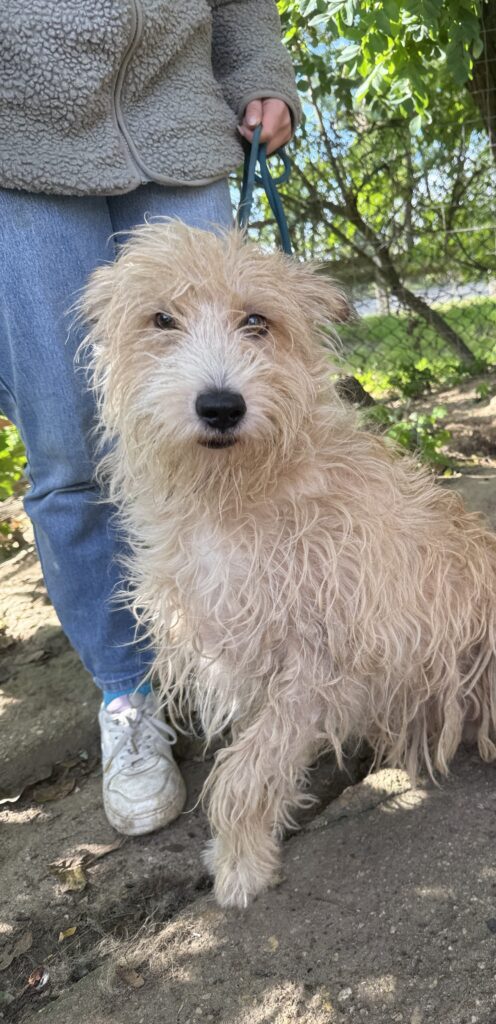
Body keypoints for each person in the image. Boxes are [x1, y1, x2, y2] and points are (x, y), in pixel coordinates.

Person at [0, 0, 300, 835]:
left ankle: (254, 672)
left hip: (179, 130)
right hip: (18, 148)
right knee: (71, 449)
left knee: (239, 439)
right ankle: (130, 694)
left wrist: (260, 72)